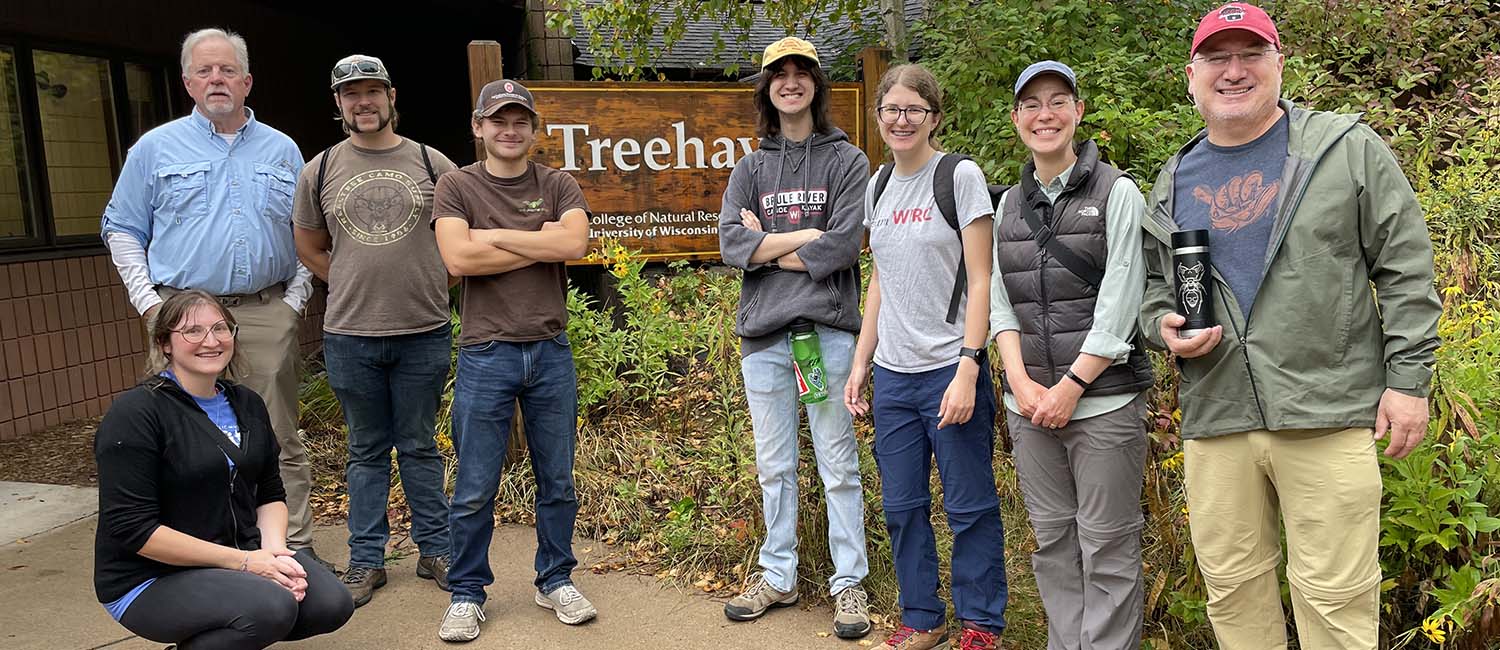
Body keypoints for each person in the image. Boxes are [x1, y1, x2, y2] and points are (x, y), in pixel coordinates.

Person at [1139, 4, 1442, 648]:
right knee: (1232, 589)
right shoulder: (1173, 176)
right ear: (1191, 76)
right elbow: (1155, 287)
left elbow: (1406, 267)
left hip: (1326, 408)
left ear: (1279, 64)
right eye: (1218, 58)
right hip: (1217, 411)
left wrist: (1409, 382)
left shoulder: (1345, 149)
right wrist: (1162, 325)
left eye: (1251, 54)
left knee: (1335, 598)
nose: (1234, 70)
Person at [99, 27, 325, 567]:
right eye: (205, 70)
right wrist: (152, 306)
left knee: (276, 436)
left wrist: (293, 304)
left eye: (227, 70)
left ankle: (294, 549)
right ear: (187, 81)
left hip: (265, 309)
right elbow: (121, 227)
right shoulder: (155, 148)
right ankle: (198, 555)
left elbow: (307, 233)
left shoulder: (282, 149)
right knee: (179, 436)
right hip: (182, 312)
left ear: (247, 81)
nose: (216, 79)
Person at [989, 60, 1152, 650]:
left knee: (1107, 545)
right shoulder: (1007, 204)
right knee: (1053, 543)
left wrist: (1071, 387)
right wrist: (1021, 383)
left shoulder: (1118, 192)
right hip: (1029, 409)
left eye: (1058, 101)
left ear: (1079, 112)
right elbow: (998, 304)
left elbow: (1121, 302)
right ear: (1016, 119)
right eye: (1031, 104)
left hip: (1104, 404)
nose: (1045, 114)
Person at [845, 63, 1007, 650]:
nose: (902, 119)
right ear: (879, 117)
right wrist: (863, 362)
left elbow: (983, 278)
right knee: (903, 506)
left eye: (915, 109)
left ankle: (981, 623)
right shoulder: (877, 185)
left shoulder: (958, 176)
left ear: (934, 118)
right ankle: (923, 617)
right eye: (892, 109)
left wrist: (970, 363)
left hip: (949, 367)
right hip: (893, 376)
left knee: (969, 506)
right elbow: (880, 281)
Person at [717, 36, 872, 639]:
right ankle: (777, 576)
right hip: (765, 339)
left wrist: (769, 247)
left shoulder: (848, 162)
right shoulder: (750, 168)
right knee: (774, 466)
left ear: (816, 84)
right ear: (767, 88)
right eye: (778, 74)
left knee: (838, 463)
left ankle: (849, 586)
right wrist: (804, 237)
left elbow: (845, 242)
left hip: (827, 334)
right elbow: (732, 246)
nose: (790, 83)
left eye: (800, 72)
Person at [93, 290, 353, 649]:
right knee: (269, 607)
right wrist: (247, 563)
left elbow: (271, 492)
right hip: (150, 577)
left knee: (330, 604)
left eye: (220, 328)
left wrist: (275, 554)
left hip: (236, 557)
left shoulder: (247, 403)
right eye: (193, 331)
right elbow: (133, 530)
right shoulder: (136, 414)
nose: (210, 341)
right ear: (164, 343)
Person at [429, 79, 594, 643]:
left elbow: (572, 246)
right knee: (475, 484)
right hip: (485, 351)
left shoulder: (557, 183)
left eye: (520, 120)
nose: (509, 130)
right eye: (498, 120)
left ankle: (555, 579)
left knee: (558, 480)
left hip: (550, 350)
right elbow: (457, 256)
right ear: (479, 127)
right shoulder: (455, 185)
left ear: (533, 130)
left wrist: (491, 237)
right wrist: (534, 235)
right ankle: (467, 592)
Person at [292, 54, 459, 607]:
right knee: (365, 451)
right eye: (350, 94)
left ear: (391, 96)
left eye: (372, 91)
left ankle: (435, 549)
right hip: (351, 334)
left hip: (424, 330)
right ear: (338, 104)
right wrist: (341, 280)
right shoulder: (319, 169)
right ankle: (367, 561)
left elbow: (461, 236)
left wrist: (441, 278)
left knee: (418, 446)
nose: (362, 102)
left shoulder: (432, 163)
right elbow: (308, 246)